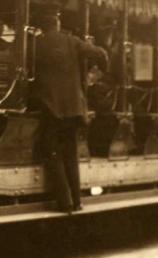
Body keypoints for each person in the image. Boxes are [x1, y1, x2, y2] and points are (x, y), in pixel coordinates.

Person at [32, 11, 109, 212]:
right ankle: (76, 201)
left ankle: (65, 202)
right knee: (70, 154)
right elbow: (99, 53)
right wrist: (104, 68)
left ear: (41, 27)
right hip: (73, 108)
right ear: (57, 24)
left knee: (52, 153)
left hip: (50, 107)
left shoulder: (35, 44)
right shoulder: (72, 41)